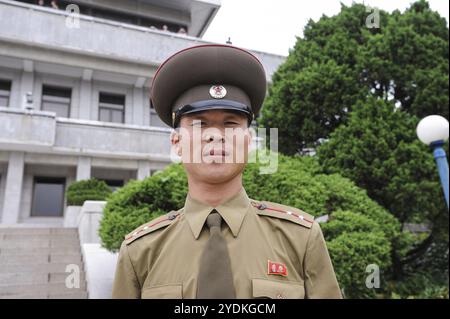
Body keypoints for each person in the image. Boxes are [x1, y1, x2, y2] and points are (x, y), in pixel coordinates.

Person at [112, 44, 342, 299]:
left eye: (230, 124)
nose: (215, 135)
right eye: (199, 124)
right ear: (176, 142)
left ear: (248, 141)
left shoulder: (300, 239)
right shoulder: (141, 251)